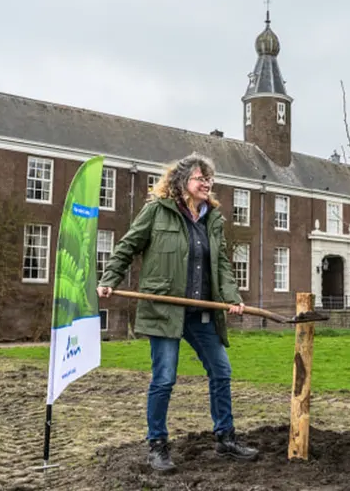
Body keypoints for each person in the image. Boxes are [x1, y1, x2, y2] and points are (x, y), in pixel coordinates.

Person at [97, 152, 259, 472]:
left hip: (200, 312)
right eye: (201, 178)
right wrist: (109, 279)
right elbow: (128, 246)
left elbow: (221, 264)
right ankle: (157, 445)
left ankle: (225, 438)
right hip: (165, 309)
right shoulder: (157, 212)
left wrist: (232, 296)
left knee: (221, 370)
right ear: (183, 181)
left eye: (209, 179)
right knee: (165, 378)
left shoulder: (212, 219)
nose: (207, 183)